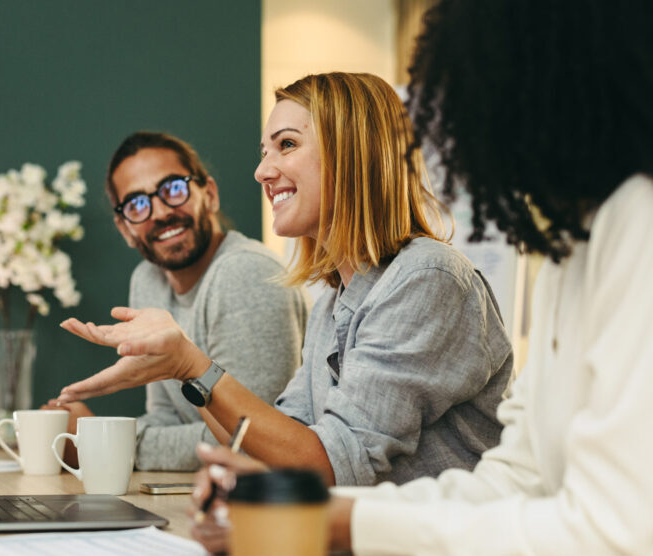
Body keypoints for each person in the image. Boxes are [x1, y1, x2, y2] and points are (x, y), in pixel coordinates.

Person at [192, 0, 653, 553]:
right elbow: (512, 481)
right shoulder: (567, 249)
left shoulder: (635, 224)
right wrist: (305, 510)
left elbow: (614, 532)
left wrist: (331, 521)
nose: (453, 128)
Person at [57, 72, 514, 487]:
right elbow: (277, 444)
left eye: (287, 145)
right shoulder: (335, 301)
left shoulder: (426, 277)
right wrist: (182, 373)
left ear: (350, 151)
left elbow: (331, 465)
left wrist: (188, 365)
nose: (262, 171)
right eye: (264, 152)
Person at [47, 131, 309, 471]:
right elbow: (166, 418)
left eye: (172, 188)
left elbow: (251, 443)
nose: (159, 212)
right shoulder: (148, 280)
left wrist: (102, 443)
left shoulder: (246, 273)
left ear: (210, 195)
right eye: (138, 204)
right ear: (125, 228)